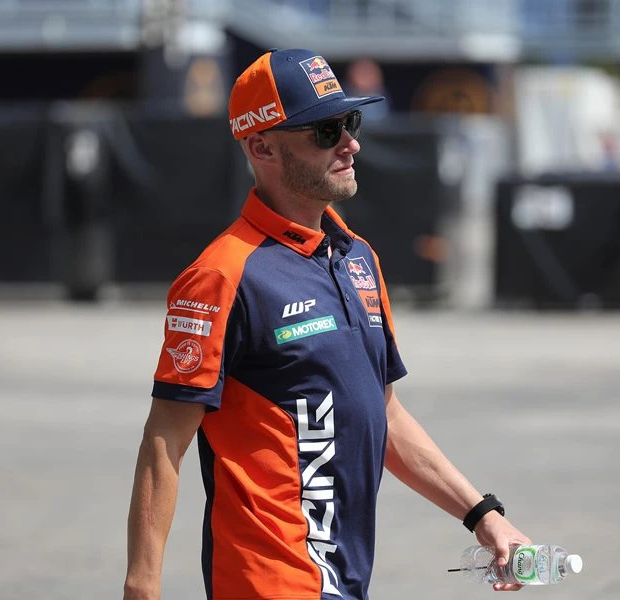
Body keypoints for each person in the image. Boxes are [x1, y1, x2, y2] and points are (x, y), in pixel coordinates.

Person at [124, 48, 530, 600]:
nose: (350, 143)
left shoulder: (357, 255)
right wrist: (142, 584)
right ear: (261, 146)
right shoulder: (221, 274)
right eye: (325, 130)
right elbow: (165, 438)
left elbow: (384, 412)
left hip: (342, 579)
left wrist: (482, 514)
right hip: (268, 582)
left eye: (350, 122)